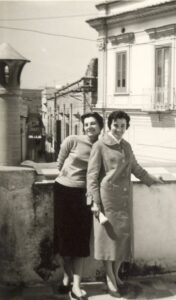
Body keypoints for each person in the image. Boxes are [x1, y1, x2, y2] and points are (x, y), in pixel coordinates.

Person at [86, 110, 163, 298]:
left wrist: (152, 180)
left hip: (124, 199)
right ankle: (111, 278)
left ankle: (116, 274)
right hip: (107, 199)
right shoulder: (100, 145)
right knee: (107, 240)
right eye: (115, 125)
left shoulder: (126, 146)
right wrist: (94, 202)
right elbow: (92, 176)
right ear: (109, 125)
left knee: (122, 240)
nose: (119, 129)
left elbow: (135, 168)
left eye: (122, 126)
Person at [53, 112, 104, 300]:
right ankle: (66, 276)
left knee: (81, 241)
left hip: (84, 195)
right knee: (64, 238)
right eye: (87, 124)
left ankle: (76, 285)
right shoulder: (72, 140)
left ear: (100, 126)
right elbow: (59, 164)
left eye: (93, 124)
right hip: (63, 192)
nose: (89, 127)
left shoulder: (102, 146)